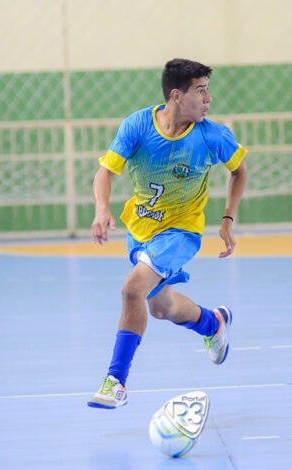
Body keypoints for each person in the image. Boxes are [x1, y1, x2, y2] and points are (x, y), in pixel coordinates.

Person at [87, 58, 248, 408]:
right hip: (141, 229)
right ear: (177, 95)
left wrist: (227, 218)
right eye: (200, 91)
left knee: (132, 289)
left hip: (180, 233)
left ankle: (116, 382)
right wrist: (102, 208)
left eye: (208, 90)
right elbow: (105, 171)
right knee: (161, 307)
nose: (208, 98)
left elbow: (239, 171)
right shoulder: (138, 125)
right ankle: (213, 323)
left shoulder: (212, 135)